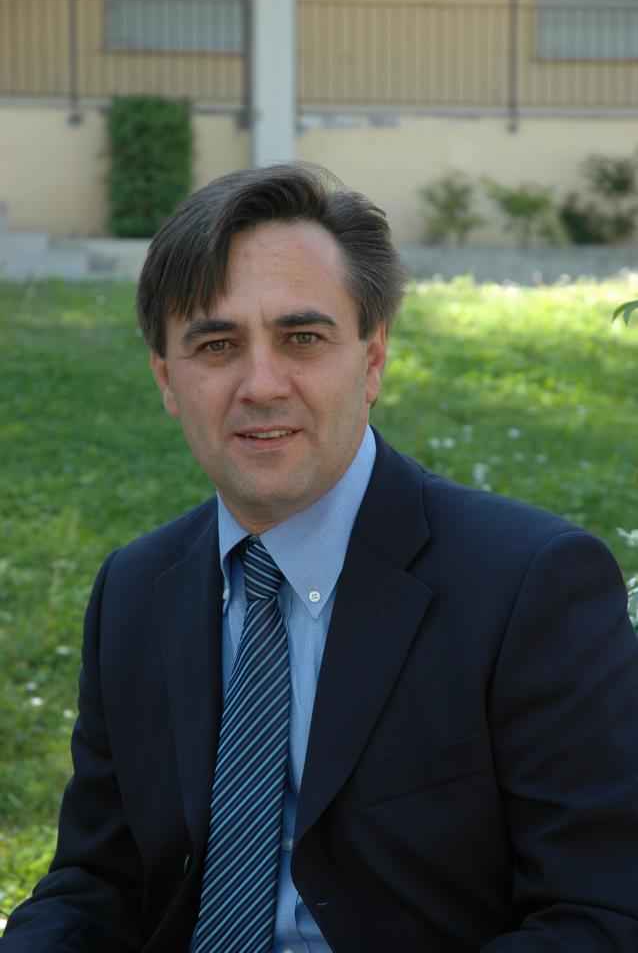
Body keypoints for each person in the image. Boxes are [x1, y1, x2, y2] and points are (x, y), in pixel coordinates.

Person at [2, 163, 638, 953]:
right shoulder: (134, 591)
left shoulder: (531, 588)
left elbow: (599, 916)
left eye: (302, 338)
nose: (261, 384)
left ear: (372, 360)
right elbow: (97, 882)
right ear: (167, 380)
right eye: (216, 345)